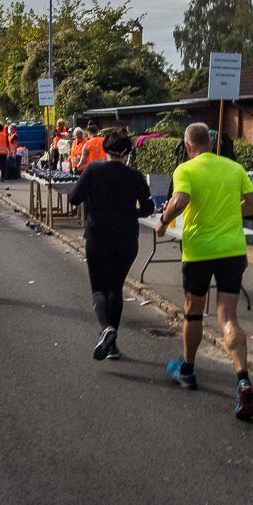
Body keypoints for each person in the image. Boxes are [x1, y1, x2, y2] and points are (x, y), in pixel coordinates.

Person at [156, 123, 253, 418]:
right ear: (211, 142)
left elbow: (180, 201)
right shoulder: (233, 167)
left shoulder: (186, 169)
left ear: (188, 145)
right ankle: (242, 379)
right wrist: (231, 208)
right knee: (228, 317)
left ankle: (188, 370)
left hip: (200, 252)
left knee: (193, 313)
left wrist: (164, 222)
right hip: (232, 251)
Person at [68, 129, 154, 360]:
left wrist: (95, 201)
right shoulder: (135, 176)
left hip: (98, 236)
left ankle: (106, 328)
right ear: (127, 152)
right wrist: (131, 211)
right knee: (116, 286)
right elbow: (148, 209)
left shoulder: (93, 170)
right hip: (126, 237)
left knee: (99, 288)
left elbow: (73, 197)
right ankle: (113, 346)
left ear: (105, 148)